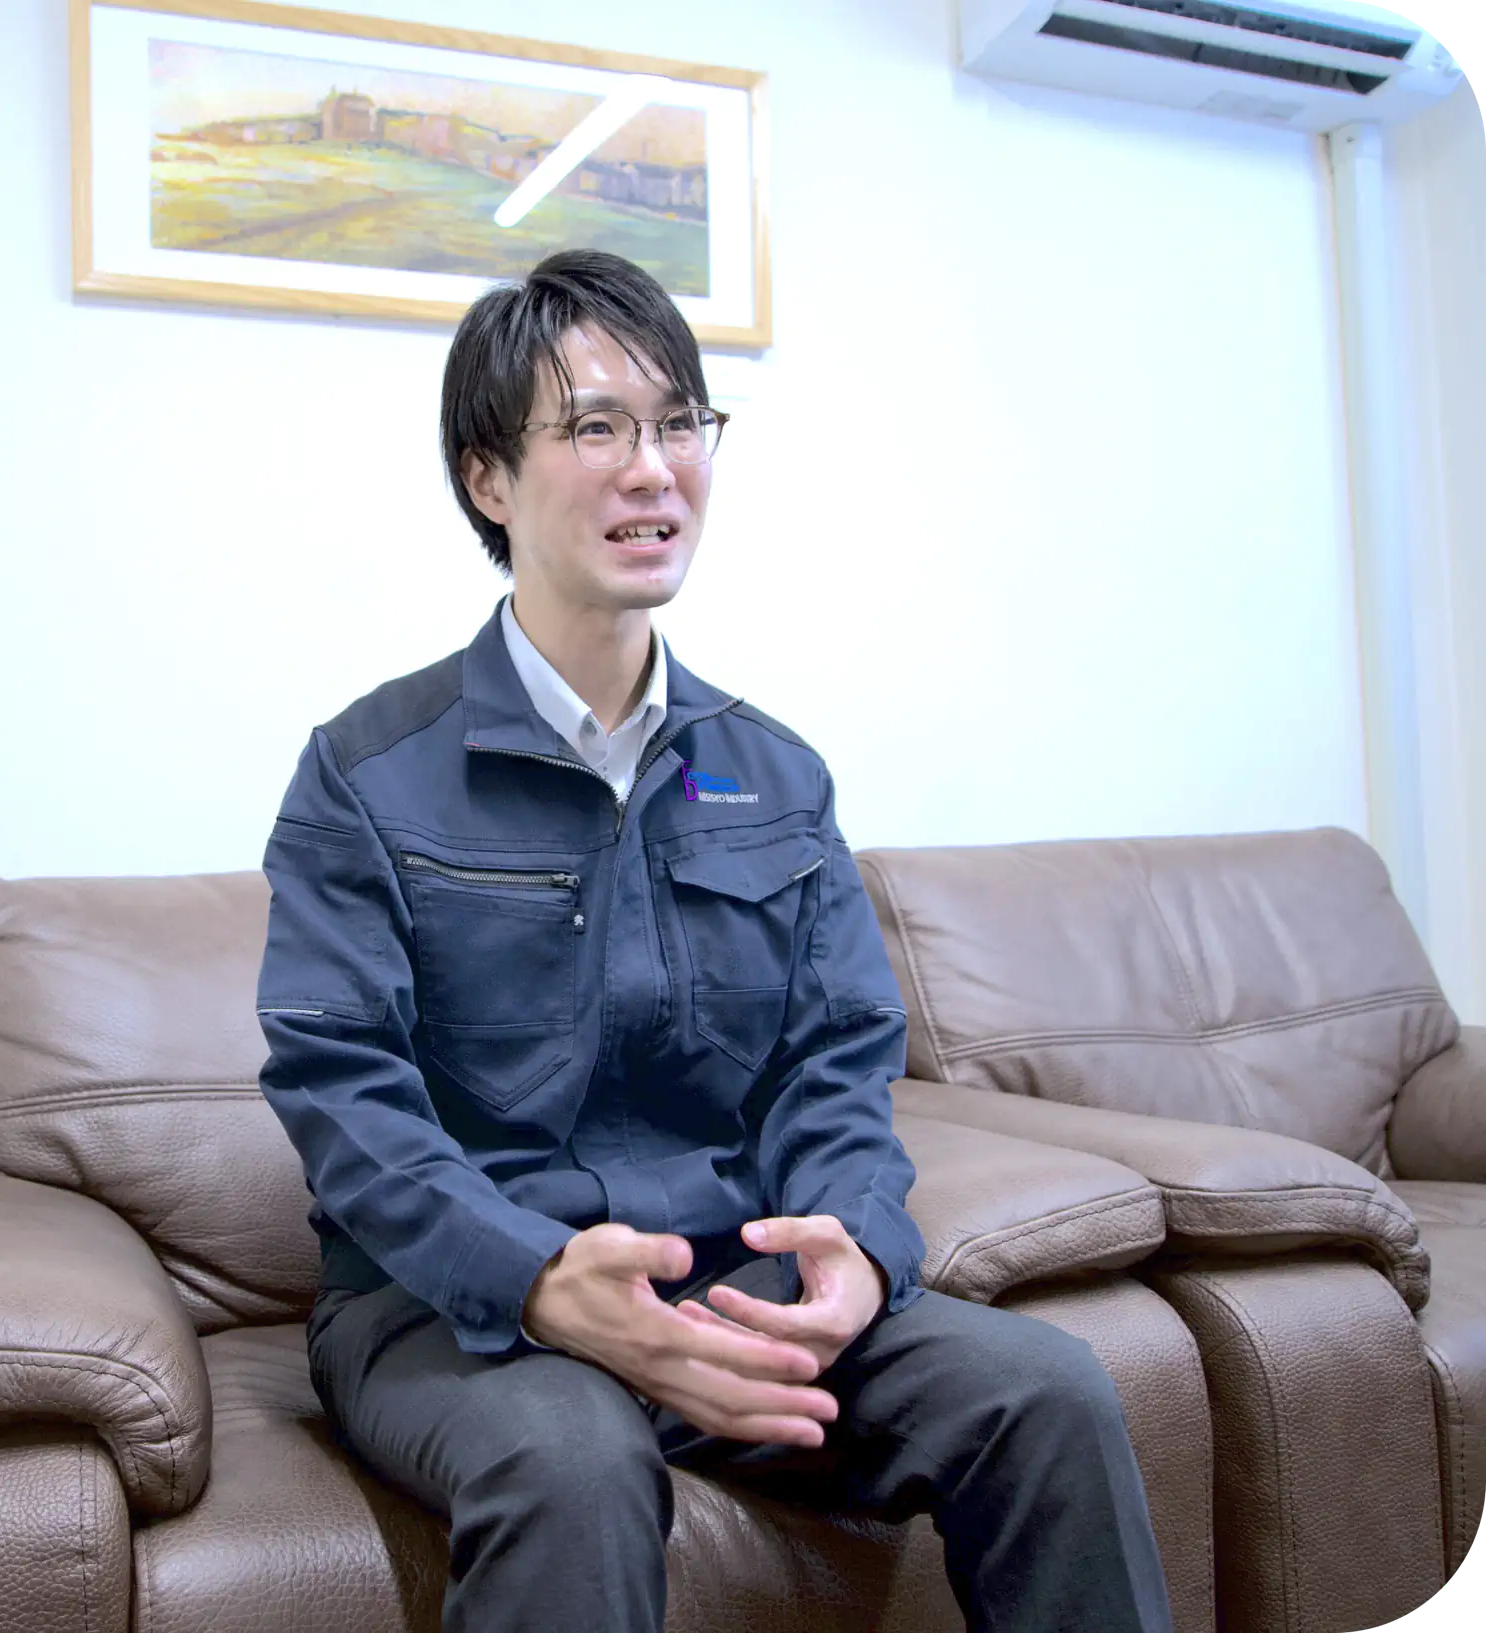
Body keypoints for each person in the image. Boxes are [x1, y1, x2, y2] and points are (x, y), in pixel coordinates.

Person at [253, 248, 1172, 1633]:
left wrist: (857, 1247)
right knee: (572, 1463)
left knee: (1044, 1392)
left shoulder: (775, 773)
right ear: (487, 479)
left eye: (681, 423)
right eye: (596, 427)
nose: (654, 470)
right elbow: (342, 1091)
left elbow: (836, 1063)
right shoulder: (368, 772)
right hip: (451, 1310)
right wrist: (536, 1278)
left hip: (726, 1285)